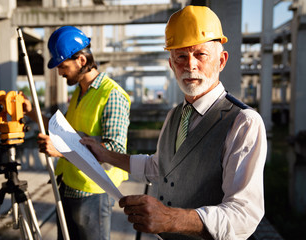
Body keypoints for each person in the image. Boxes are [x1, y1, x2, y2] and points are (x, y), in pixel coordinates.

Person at [80, 5, 267, 240]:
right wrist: (106, 155)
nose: (190, 65)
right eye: (180, 56)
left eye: (200, 54)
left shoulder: (243, 122)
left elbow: (244, 214)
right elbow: (160, 167)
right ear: (171, 64)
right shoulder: (175, 115)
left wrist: (169, 219)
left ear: (221, 61)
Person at [23, 26, 131, 240]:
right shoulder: (80, 93)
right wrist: (31, 112)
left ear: (82, 61)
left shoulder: (112, 95)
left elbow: (114, 151)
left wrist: (61, 150)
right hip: (69, 186)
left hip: (92, 192)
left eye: (63, 66)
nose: (60, 72)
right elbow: (63, 132)